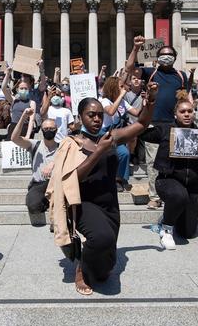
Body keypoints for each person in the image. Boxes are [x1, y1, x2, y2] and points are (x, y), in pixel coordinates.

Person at [48, 83, 158, 295]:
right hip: (84, 203)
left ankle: (94, 267)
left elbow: (142, 124)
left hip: (109, 204)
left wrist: (151, 101)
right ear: (80, 117)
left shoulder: (111, 137)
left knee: (107, 265)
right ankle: (82, 269)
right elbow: (71, 179)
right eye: (91, 115)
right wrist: (98, 152)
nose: (97, 119)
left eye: (99, 115)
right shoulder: (71, 143)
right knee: (102, 238)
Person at [140, 97, 198, 249]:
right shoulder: (165, 130)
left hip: (192, 185)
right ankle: (166, 229)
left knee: (188, 232)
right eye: (182, 112)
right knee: (178, 195)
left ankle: (173, 216)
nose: (187, 114)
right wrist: (147, 109)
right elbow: (141, 132)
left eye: (190, 111)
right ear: (175, 115)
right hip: (168, 180)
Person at [125, 36, 191, 209]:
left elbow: (184, 99)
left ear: (175, 57)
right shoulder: (150, 72)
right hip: (154, 123)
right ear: (157, 57)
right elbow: (129, 68)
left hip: (175, 125)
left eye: (169, 54)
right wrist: (136, 48)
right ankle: (154, 196)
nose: (166, 56)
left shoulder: (181, 76)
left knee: (176, 162)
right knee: (154, 163)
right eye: (162, 54)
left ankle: (175, 193)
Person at [11, 108, 58, 225]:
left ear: (56, 130)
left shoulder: (62, 146)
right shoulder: (35, 144)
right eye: (46, 129)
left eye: (51, 128)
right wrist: (23, 117)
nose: (49, 130)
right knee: (33, 206)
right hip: (39, 184)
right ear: (41, 130)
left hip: (57, 183)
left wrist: (54, 164)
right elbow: (14, 138)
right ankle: (46, 201)